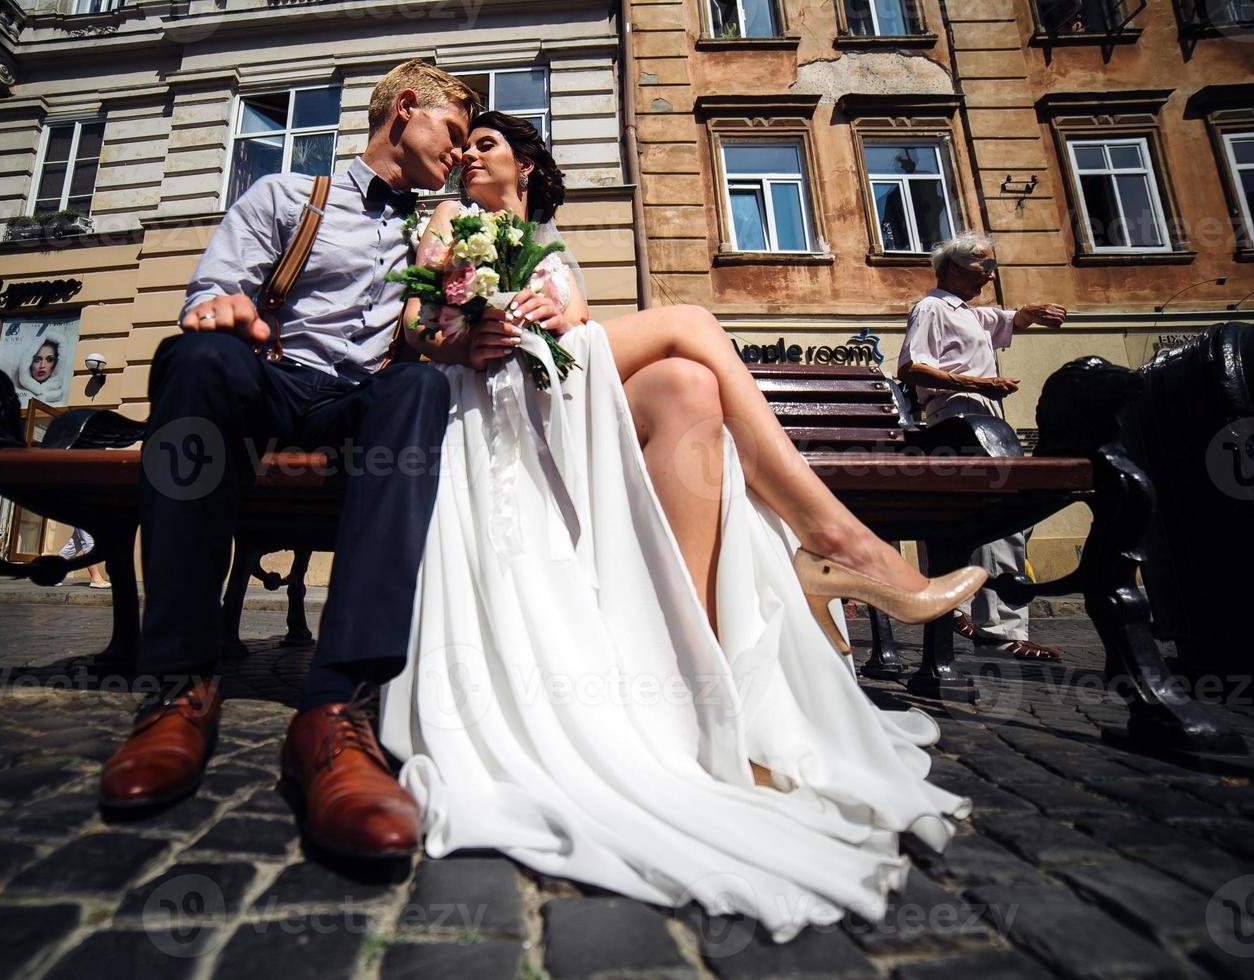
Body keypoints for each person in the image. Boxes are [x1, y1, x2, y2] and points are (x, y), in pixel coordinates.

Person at [377, 111, 981, 941]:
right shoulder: (449, 220)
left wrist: (551, 317)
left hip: (552, 382)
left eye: (486, 144)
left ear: (525, 166)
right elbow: (416, 332)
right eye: (465, 144)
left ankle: (708, 683)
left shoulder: (548, 240)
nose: (468, 155)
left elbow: (576, 315)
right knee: (692, 324)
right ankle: (838, 541)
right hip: (483, 389)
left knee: (692, 392)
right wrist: (466, 328)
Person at [97, 62, 482, 866]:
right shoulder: (282, 196)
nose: (457, 155)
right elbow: (216, 287)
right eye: (451, 134)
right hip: (270, 381)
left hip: (360, 401)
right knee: (196, 359)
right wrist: (223, 311)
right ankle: (179, 682)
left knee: (416, 387)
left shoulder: (441, 226)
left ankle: (337, 710)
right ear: (405, 111)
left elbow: (438, 335)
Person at [897, 232, 1066, 662]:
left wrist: (1032, 313)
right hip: (959, 414)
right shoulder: (932, 308)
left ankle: (956, 604)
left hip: (985, 414)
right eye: (983, 270)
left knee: (987, 517)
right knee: (1003, 513)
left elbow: (1011, 320)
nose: (989, 279)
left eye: (992, 270)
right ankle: (1000, 628)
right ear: (954, 267)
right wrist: (978, 382)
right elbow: (912, 366)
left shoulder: (972, 315)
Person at [15, 338, 68, 406]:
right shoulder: (17, 393)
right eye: (37, 359)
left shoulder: (61, 395)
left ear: (56, 364)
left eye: (49, 359)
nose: (42, 365)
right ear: (29, 362)